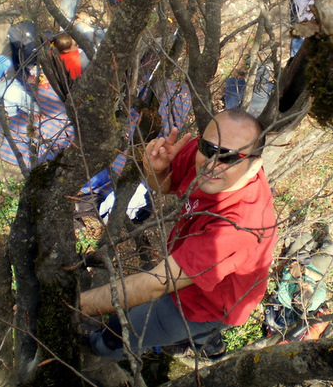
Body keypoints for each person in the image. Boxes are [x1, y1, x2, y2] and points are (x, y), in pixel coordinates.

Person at [81, 109, 278, 360]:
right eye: (208, 148)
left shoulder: (240, 227)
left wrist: (73, 306)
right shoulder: (203, 154)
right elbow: (164, 185)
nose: (212, 162)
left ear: (254, 167)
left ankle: (101, 347)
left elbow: (155, 284)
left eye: (229, 157)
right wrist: (156, 170)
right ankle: (204, 343)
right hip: (195, 272)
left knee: (123, 329)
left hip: (208, 304)